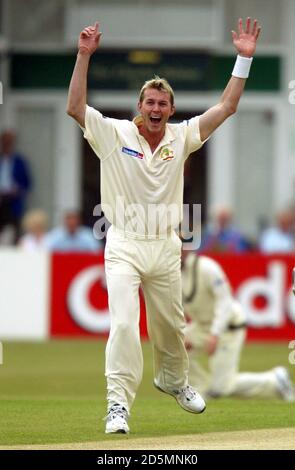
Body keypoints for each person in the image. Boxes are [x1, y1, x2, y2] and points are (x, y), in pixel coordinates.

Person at [67, 18, 261, 434]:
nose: (155, 110)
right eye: (149, 103)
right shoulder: (114, 133)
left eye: (162, 104)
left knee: (171, 327)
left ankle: (173, 382)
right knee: (122, 324)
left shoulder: (182, 136)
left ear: (171, 109)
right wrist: (84, 55)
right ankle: (117, 405)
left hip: (165, 246)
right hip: (123, 243)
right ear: (140, 106)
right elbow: (75, 108)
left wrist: (243, 60)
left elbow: (226, 108)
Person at [182, 252, 295, 401]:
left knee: (222, 389)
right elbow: (175, 308)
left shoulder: (207, 267)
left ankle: (275, 381)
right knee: (173, 349)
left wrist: (214, 334)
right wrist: (183, 333)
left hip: (228, 327)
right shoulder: (171, 272)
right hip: (201, 327)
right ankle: (201, 390)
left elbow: (225, 302)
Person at [0, 130, 32, 244]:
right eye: (5, 142)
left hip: (13, 202)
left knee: (13, 231)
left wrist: (18, 190)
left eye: (9, 142)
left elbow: (27, 183)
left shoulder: (19, 161)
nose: (7, 145)